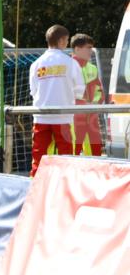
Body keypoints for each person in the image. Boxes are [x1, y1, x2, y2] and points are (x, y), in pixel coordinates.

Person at [29, 25, 85, 176]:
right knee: (67, 158)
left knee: (38, 159)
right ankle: (65, 189)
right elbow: (80, 90)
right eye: (67, 40)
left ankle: (34, 188)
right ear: (61, 41)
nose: (67, 44)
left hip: (41, 116)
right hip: (63, 117)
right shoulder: (71, 63)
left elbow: (33, 92)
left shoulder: (36, 64)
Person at [70, 33, 105, 156]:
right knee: (73, 152)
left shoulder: (92, 68)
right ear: (77, 49)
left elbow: (99, 91)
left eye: (92, 47)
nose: (91, 50)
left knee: (96, 151)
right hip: (73, 117)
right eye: (88, 48)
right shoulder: (67, 66)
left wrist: (94, 105)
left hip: (92, 117)